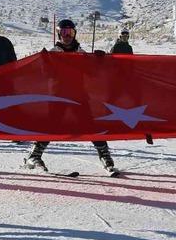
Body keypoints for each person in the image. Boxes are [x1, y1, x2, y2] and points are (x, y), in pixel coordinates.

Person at [24, 19, 117, 173]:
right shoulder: (53, 53)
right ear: (59, 34)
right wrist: (45, 62)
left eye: (70, 32)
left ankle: (105, 156)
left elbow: (92, 72)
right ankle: (34, 155)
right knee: (51, 126)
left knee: (90, 125)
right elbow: (45, 75)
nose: (67, 36)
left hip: (79, 95)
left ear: (75, 34)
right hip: (58, 96)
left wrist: (99, 60)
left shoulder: (80, 53)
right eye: (64, 32)